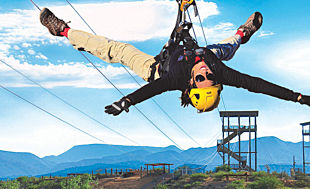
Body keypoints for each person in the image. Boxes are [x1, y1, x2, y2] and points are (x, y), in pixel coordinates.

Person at [39, 7, 310, 116]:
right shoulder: (219, 70)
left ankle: (63, 31)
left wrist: (126, 102)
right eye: (210, 80)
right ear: (218, 82)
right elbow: (259, 85)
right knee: (227, 47)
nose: (205, 74)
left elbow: (151, 90)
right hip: (201, 50)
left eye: (200, 80)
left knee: (117, 49)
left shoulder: (175, 80)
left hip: (157, 68)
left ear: (191, 83)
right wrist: (299, 98)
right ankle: (243, 32)